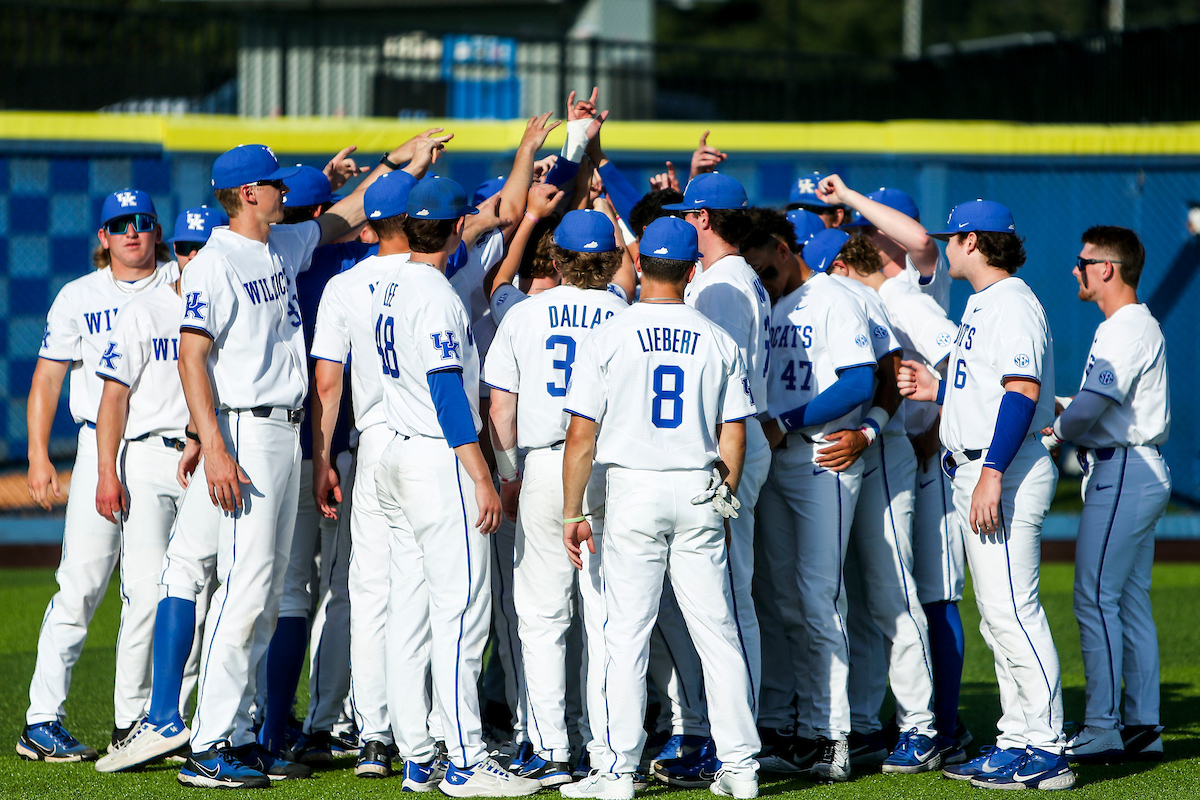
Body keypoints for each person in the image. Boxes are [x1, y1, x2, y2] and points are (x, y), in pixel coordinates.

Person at [174, 138, 431, 788]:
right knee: (242, 589)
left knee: (262, 598)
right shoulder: (215, 262)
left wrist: (400, 163)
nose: (284, 192)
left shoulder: (278, 244)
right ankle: (206, 745)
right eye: (274, 184)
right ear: (248, 194)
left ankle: (238, 735)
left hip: (283, 434)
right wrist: (217, 447)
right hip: (246, 430)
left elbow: (345, 215)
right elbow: (190, 356)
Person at [561, 216, 761, 800]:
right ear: (693, 269)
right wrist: (725, 497)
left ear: (640, 263)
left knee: (626, 633)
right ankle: (743, 768)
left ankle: (619, 773)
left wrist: (572, 510)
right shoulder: (716, 337)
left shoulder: (609, 334)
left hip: (633, 488)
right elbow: (735, 435)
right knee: (717, 632)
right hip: (699, 485)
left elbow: (580, 435)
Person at [369, 176, 542, 797]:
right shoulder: (437, 295)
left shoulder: (390, 283)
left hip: (394, 452)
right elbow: (447, 393)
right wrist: (483, 478)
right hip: (440, 462)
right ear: (448, 228)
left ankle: (417, 754)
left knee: (412, 613)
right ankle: (465, 759)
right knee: (462, 613)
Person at [898, 200, 1073, 791]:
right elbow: (990, 386)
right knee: (1000, 620)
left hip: (1004, 470)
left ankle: (1048, 749)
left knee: (1014, 614)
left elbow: (1022, 392)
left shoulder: (1014, 304)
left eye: (953, 237)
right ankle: (1017, 738)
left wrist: (993, 470)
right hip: (980, 468)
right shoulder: (985, 302)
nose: (945, 246)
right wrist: (938, 385)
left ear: (974, 241)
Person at [18, 189, 178, 764]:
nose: (132, 232)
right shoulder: (78, 295)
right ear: (103, 237)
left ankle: (142, 719)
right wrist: (39, 455)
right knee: (82, 584)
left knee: (159, 589)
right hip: (98, 448)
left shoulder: (181, 280)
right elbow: (46, 379)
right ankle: (41, 720)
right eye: (119, 223)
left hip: (170, 449)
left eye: (142, 222)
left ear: (157, 230)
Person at [819, 176, 967, 747]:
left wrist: (935, 413)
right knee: (886, 595)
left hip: (924, 456)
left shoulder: (911, 289)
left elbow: (962, 366)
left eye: (873, 228)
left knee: (926, 592)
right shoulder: (869, 294)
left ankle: (941, 726)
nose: (864, 236)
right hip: (891, 449)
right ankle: (879, 718)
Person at [483, 209, 629, 785]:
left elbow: (500, 407)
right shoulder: (628, 314)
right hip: (611, 468)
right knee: (607, 616)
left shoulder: (523, 314)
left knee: (542, 618)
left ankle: (549, 747)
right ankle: (607, 748)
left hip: (544, 463)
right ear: (613, 261)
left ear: (559, 260)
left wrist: (509, 473)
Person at [308, 163, 434, 780]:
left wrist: (323, 461)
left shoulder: (346, 284)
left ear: (369, 227)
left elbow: (326, 385)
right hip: (426, 443)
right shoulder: (434, 274)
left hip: (368, 444)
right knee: (417, 591)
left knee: (368, 591)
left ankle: (374, 734)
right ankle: (418, 736)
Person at [91, 205, 225, 773]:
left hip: (205, 458)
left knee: (195, 593)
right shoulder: (144, 310)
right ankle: (130, 720)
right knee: (145, 593)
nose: (193, 257)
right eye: (186, 247)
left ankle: (176, 719)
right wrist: (105, 470)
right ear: (174, 252)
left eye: (202, 247)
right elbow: (113, 399)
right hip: (148, 456)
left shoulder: (223, 303)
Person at [646, 173, 769, 788]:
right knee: (724, 600)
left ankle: (733, 743)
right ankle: (723, 737)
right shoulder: (734, 276)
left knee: (728, 603)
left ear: (702, 220)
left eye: (689, 212)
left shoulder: (721, 286)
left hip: (729, 447)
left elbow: (726, 397)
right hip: (734, 442)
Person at [753, 226, 877, 783]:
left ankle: (833, 736)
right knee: (780, 599)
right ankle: (789, 728)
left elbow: (861, 382)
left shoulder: (833, 297)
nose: (763, 278)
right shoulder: (773, 302)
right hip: (778, 458)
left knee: (818, 597)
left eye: (768, 266)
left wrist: (788, 422)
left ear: (785, 248)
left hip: (823, 455)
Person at [1051, 226, 1171, 764]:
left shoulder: (1125, 326)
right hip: (1136, 466)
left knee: (1095, 597)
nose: (1075, 269)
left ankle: (1103, 725)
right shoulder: (1131, 326)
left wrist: (1053, 431)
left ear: (1106, 268)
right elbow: (1092, 402)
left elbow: (1092, 406)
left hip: (1123, 468)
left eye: (1082, 261)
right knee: (1129, 603)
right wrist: (1059, 409)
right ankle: (1143, 724)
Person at [817, 176, 950, 311]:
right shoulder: (867, 281)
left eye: (869, 230)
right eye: (861, 232)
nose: (862, 239)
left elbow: (922, 241)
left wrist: (847, 196)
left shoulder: (917, 273)